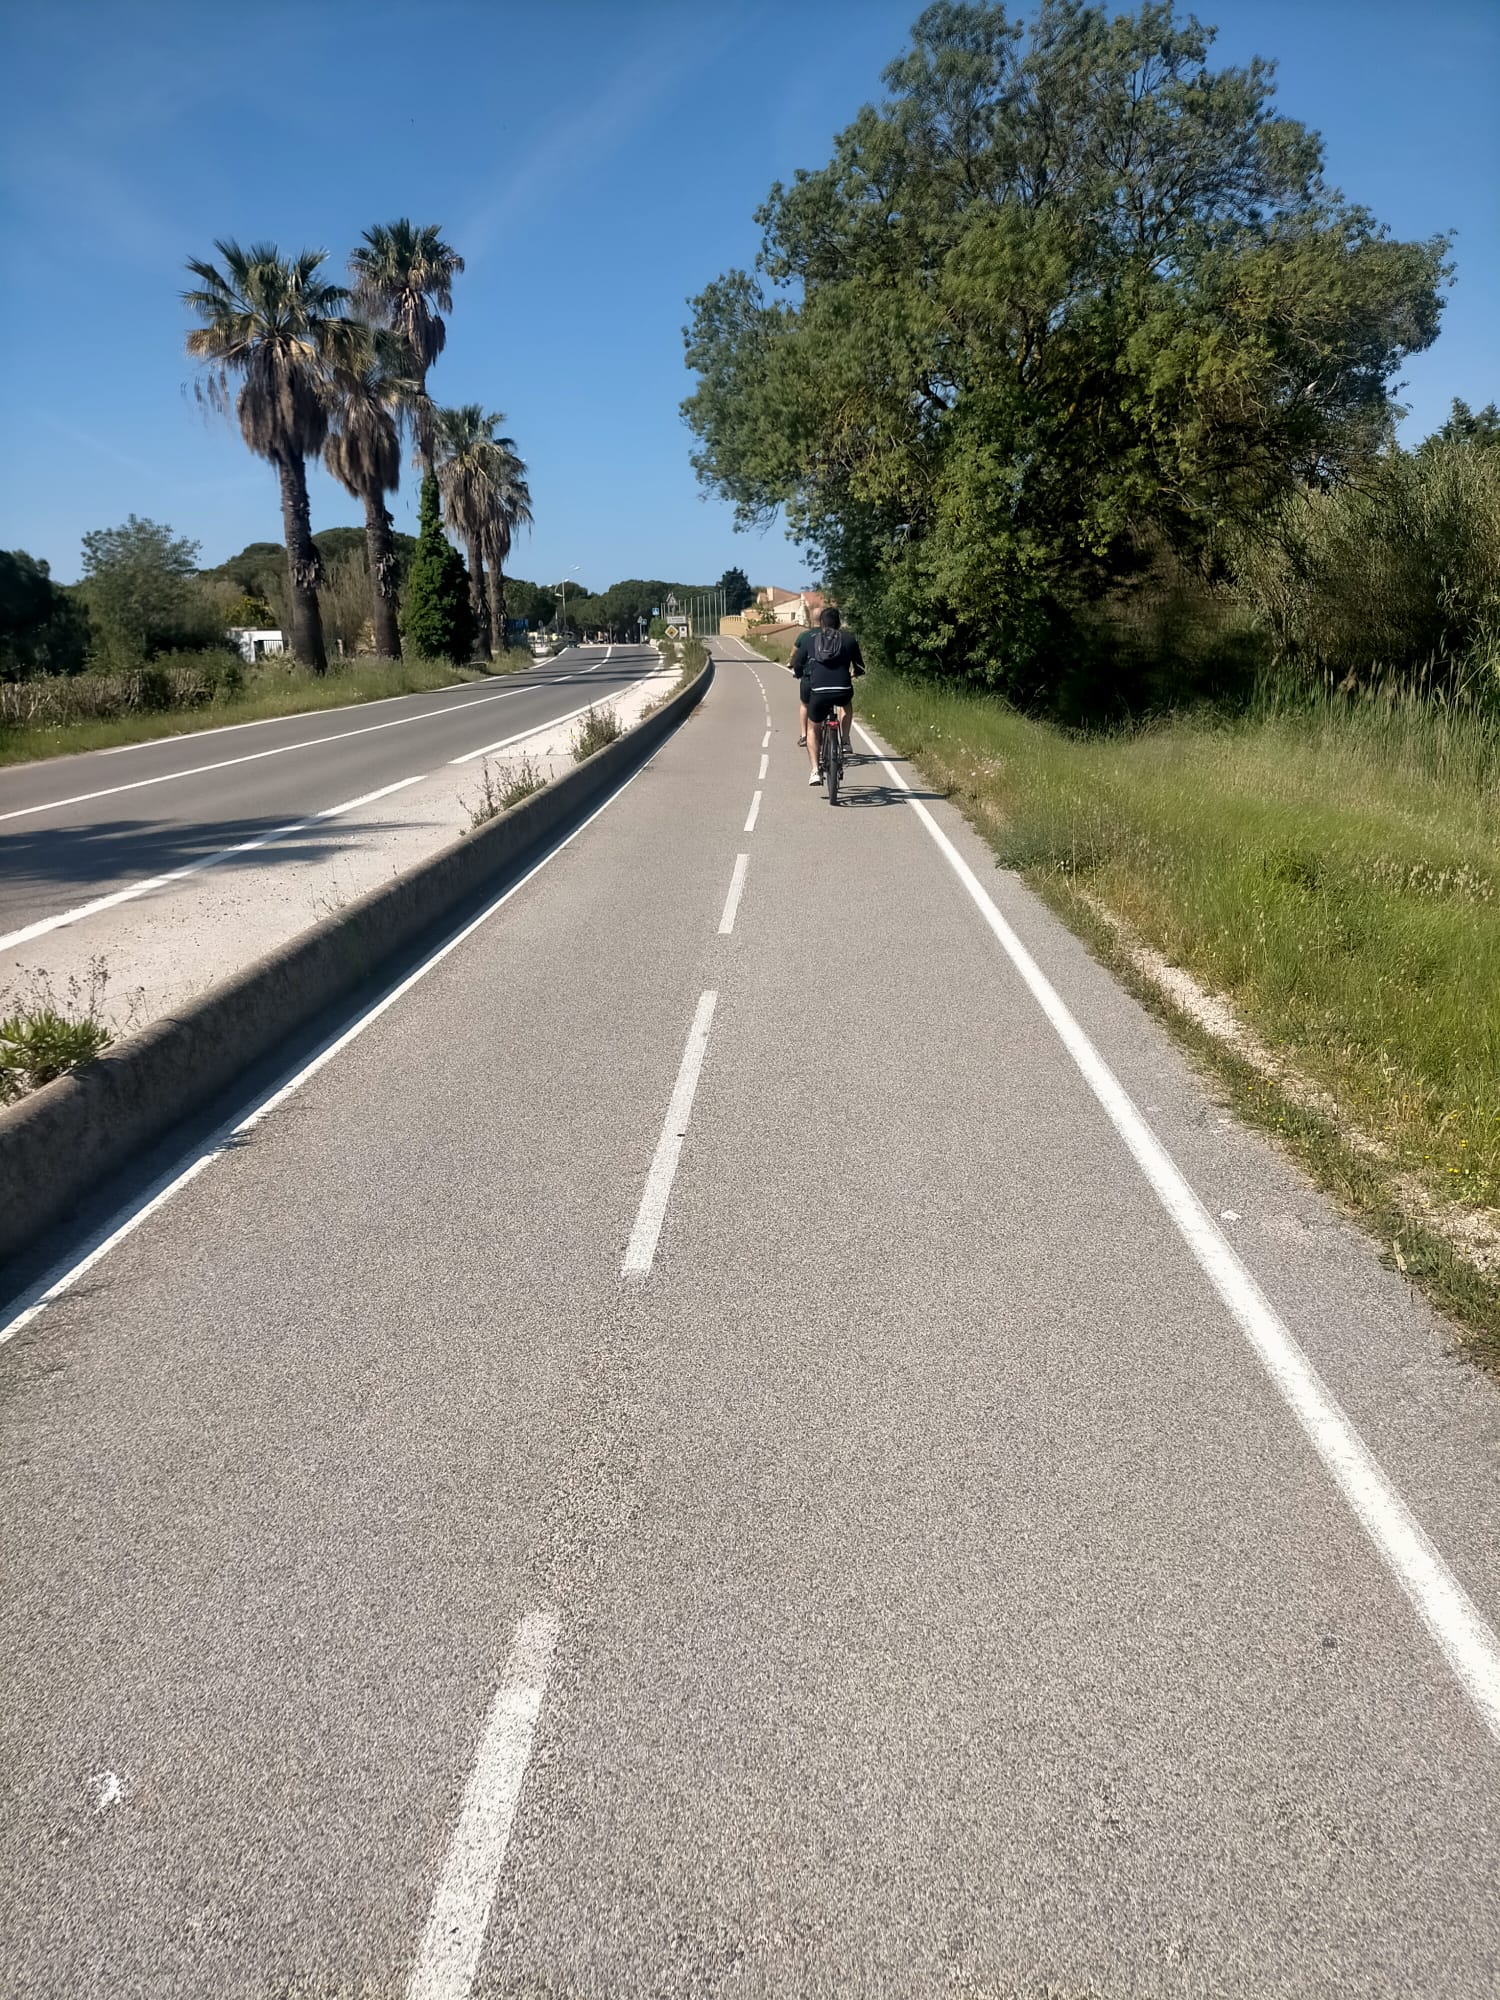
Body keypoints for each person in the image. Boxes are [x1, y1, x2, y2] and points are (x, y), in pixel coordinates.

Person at [796, 606, 864, 785]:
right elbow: (860, 667)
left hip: (818, 692)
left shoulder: (810, 640)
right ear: (839, 623)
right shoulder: (849, 640)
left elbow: (797, 663)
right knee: (846, 705)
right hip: (842, 690)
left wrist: (798, 673)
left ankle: (815, 771)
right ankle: (846, 740)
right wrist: (854, 673)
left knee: (812, 727)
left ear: (820, 623)